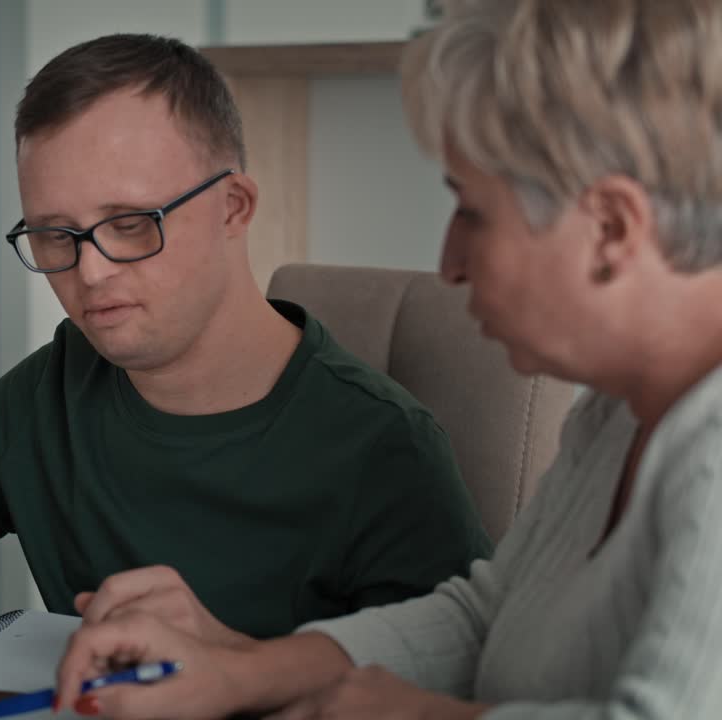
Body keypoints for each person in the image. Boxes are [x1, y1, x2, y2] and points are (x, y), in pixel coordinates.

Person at [53, 1, 722, 718]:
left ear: (613, 228)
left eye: (473, 212)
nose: (449, 262)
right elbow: (480, 615)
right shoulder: (616, 412)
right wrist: (238, 671)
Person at [0, 33, 491, 644]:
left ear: (233, 207)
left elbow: (446, 686)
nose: (90, 272)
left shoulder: (386, 451)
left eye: (132, 224)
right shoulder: (52, 390)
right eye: (54, 235)